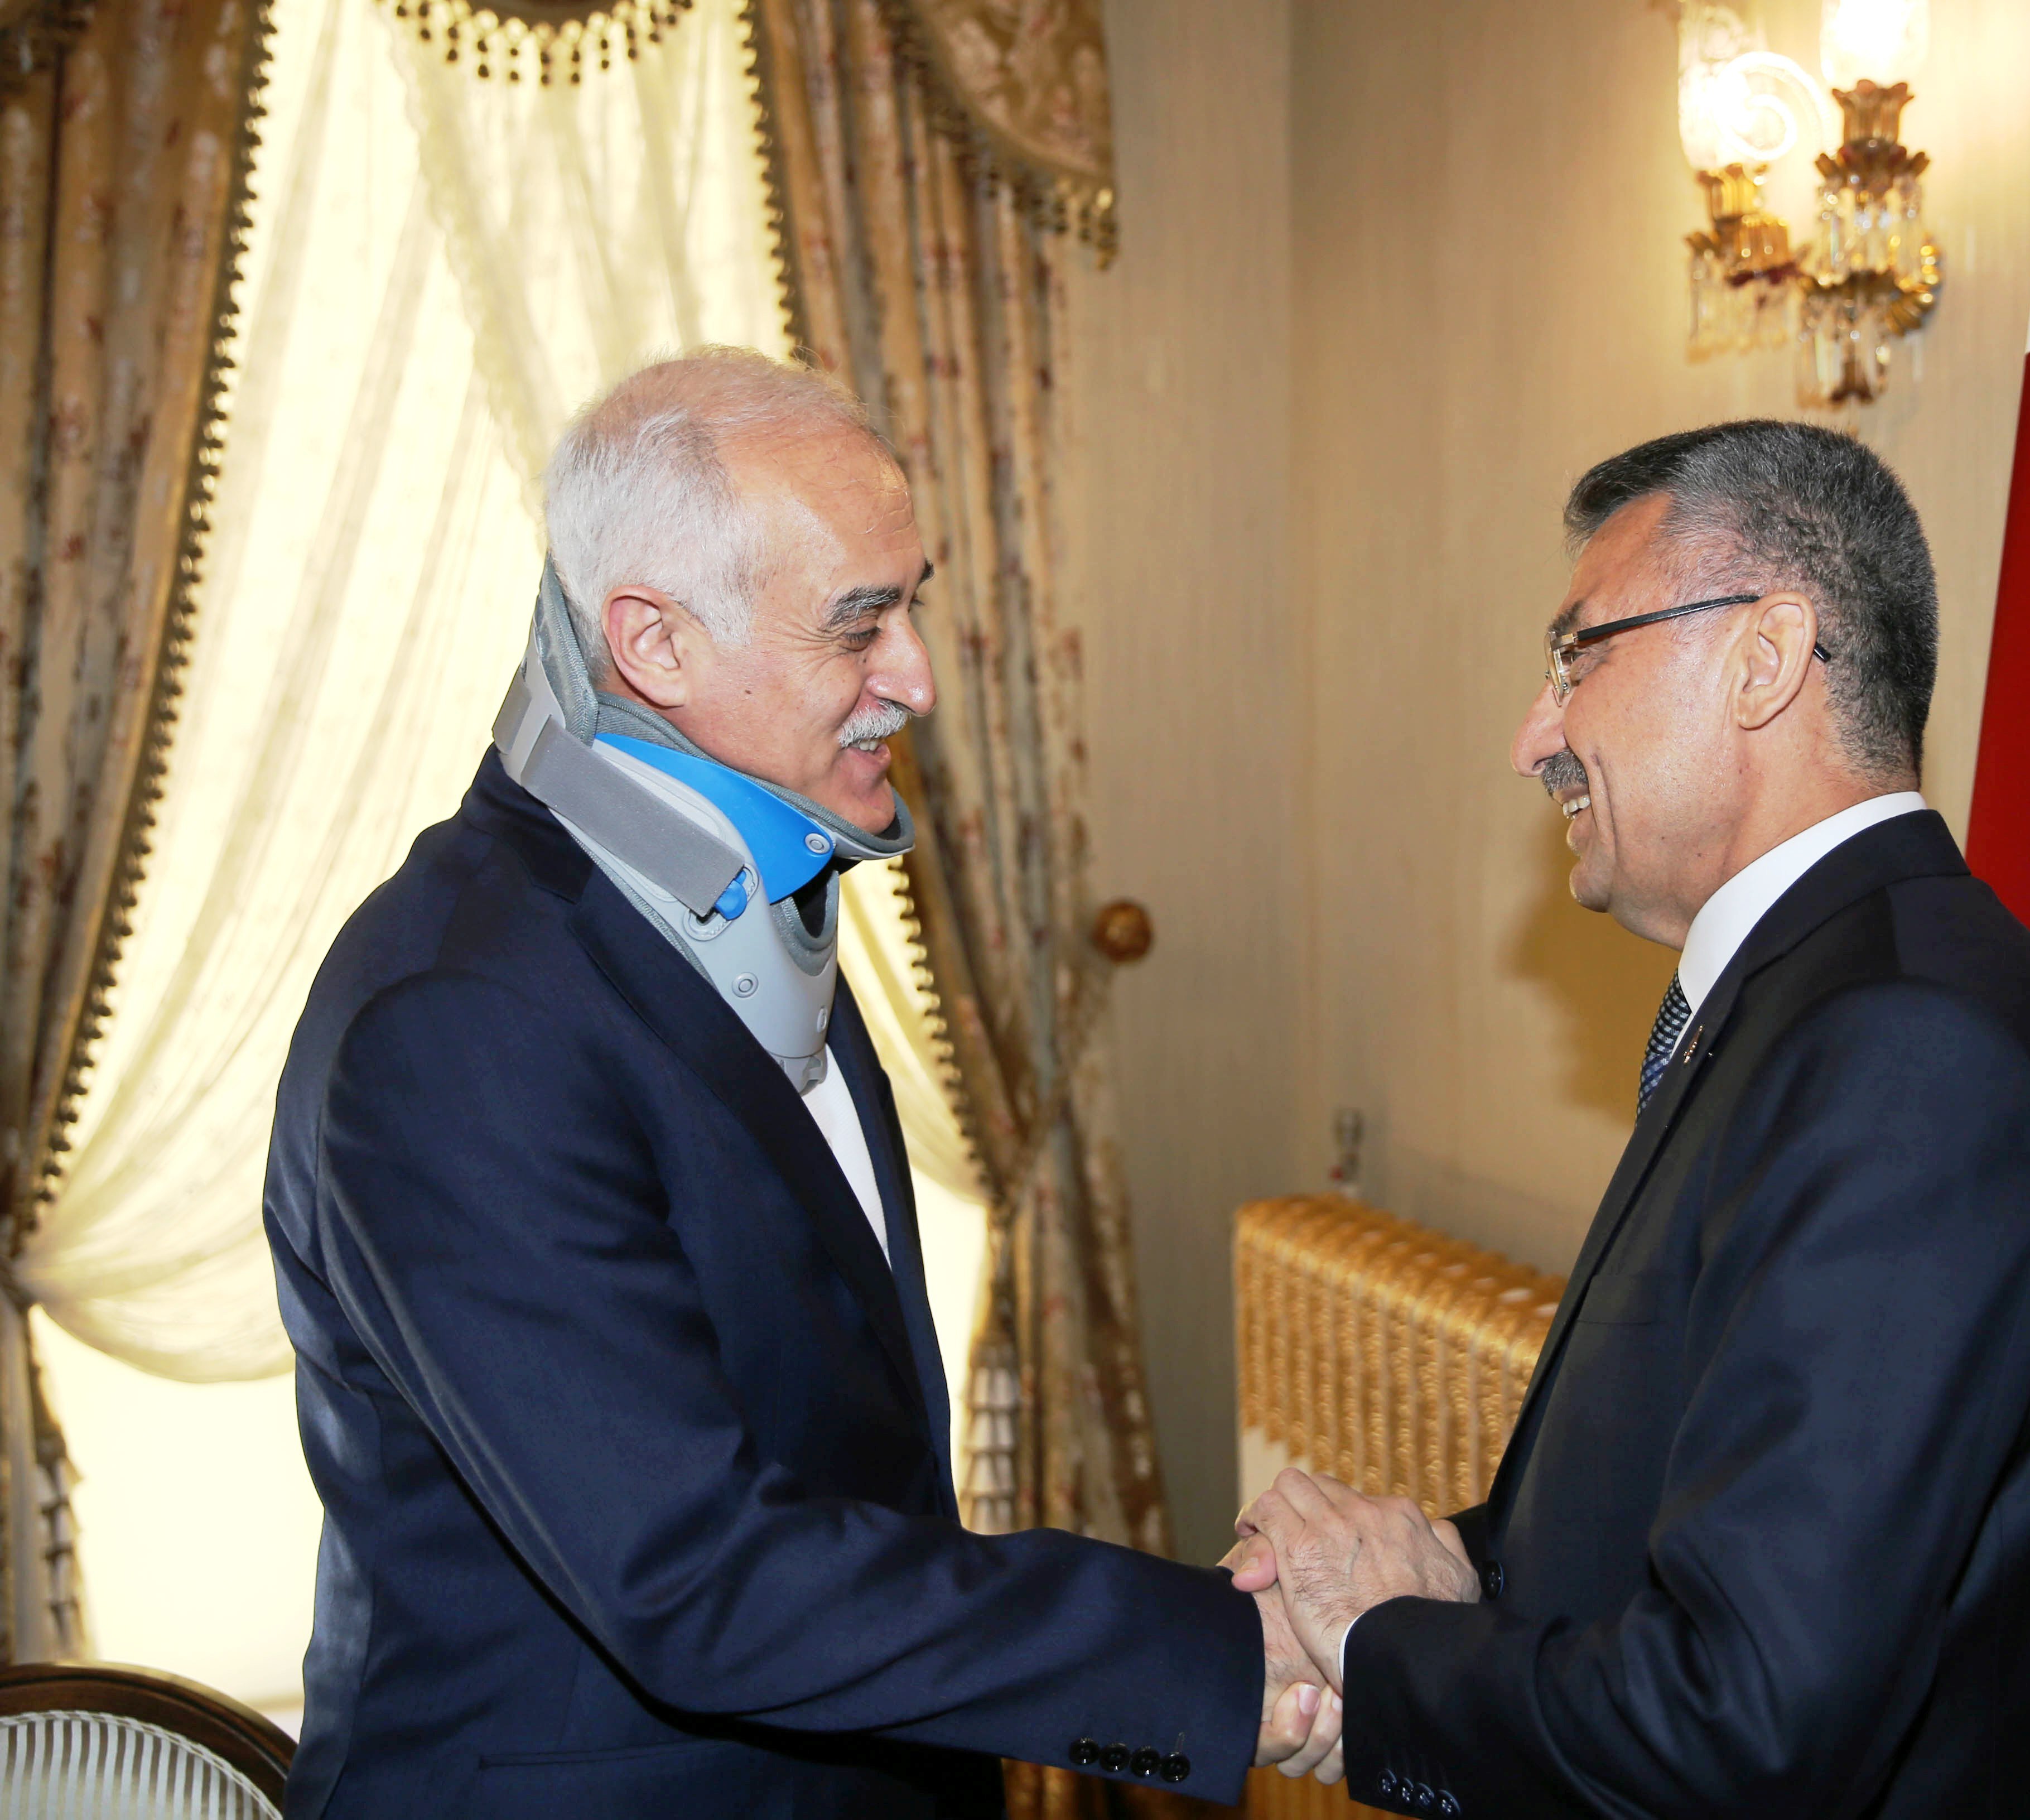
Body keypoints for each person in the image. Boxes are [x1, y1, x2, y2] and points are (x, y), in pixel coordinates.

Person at [264, 349, 1337, 1817]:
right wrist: (1221, 1663)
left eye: (913, 602)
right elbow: (694, 1574)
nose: (919, 677)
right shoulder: (458, 1022)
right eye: (859, 624)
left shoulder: (737, 909)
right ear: (654, 642)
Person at [1231, 422, 2030, 1817]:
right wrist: (1444, 1570)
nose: (1533, 738)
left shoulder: (1908, 1049)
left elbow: (1753, 1718)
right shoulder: (1814, 996)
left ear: (1764, 659)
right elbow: (1691, 1512)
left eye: (1576, 657)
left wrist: (1383, 1646)